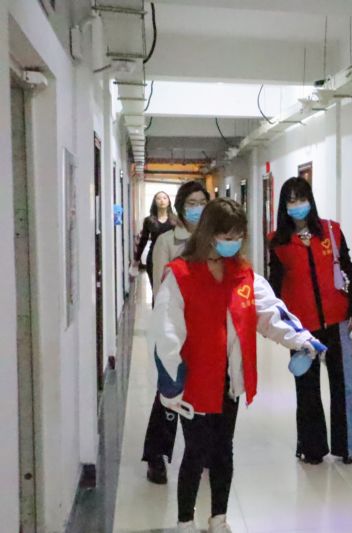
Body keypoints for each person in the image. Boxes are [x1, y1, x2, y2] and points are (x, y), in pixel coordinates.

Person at [149, 197, 326, 533]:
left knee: (223, 451)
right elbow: (166, 331)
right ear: (208, 233)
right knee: (195, 452)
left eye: (237, 237)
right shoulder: (180, 275)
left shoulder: (244, 276)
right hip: (193, 383)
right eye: (225, 236)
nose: (232, 243)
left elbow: (271, 313)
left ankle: (219, 518)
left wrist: (302, 339)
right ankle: (185, 521)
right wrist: (171, 383)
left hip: (229, 381)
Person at [268, 177, 352, 465]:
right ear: (284, 206)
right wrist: (278, 323)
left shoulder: (331, 231)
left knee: (343, 385)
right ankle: (312, 448)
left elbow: (347, 269)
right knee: (307, 388)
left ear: (310, 200)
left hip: (336, 320)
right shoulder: (278, 242)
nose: (297, 205)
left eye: (301, 198)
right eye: (291, 200)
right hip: (302, 328)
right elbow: (275, 284)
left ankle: (347, 447)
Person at [141, 180, 210, 484]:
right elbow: (160, 290)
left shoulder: (214, 239)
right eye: (191, 203)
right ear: (181, 206)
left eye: (202, 203)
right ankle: (156, 455)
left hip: (206, 329)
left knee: (202, 392)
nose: (197, 208)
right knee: (169, 390)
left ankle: (203, 452)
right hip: (175, 328)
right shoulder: (167, 242)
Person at [133, 191, 177, 295]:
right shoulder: (149, 220)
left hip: (172, 258)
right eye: (159, 198)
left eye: (165, 198)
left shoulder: (175, 220)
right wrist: (137, 259)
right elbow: (143, 240)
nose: (162, 200)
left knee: (171, 291)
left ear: (169, 201)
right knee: (157, 290)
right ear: (155, 202)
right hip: (154, 257)